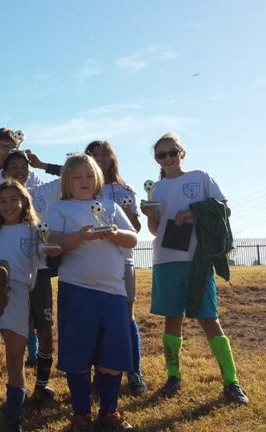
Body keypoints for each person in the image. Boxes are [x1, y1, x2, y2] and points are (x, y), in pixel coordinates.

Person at [141, 132, 248, 404]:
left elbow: (225, 209)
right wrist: (150, 215)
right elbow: (155, 230)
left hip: (197, 260)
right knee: (171, 320)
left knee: (209, 319)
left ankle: (231, 382)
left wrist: (192, 212)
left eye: (172, 152)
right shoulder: (156, 189)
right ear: (156, 159)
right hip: (165, 260)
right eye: (161, 155)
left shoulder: (200, 178)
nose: (167, 158)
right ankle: (173, 376)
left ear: (182, 153)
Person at [46, 154, 137, 432]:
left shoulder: (110, 206)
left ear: (97, 177)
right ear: (67, 182)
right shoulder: (60, 208)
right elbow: (52, 241)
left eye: (89, 175)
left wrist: (114, 233)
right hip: (77, 291)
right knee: (78, 356)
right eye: (77, 177)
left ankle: (109, 412)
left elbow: (132, 238)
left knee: (112, 357)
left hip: (113, 292)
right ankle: (81, 415)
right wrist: (80, 236)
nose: (84, 181)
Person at [0, 179, 46, 432]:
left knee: (15, 357)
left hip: (18, 291)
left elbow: (43, 260)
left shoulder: (34, 230)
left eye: (13, 200)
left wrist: (51, 248)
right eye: (2, 201)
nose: (8, 206)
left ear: (24, 202)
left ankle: (14, 412)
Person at [84, 140, 147, 396]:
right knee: (97, 320)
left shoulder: (124, 189)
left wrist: (130, 214)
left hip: (122, 261)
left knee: (126, 317)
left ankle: (134, 371)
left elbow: (136, 229)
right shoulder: (83, 189)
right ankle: (100, 372)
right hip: (91, 263)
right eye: (94, 155)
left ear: (112, 158)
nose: (100, 159)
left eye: (104, 154)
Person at [0, 151, 61, 407]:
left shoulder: (42, 192)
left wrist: (44, 165)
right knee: (17, 334)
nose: (20, 171)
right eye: (13, 167)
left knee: (45, 330)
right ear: (4, 173)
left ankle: (42, 385)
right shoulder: (1, 200)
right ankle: (17, 389)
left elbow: (74, 170)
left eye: (24, 167)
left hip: (41, 272)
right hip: (14, 278)